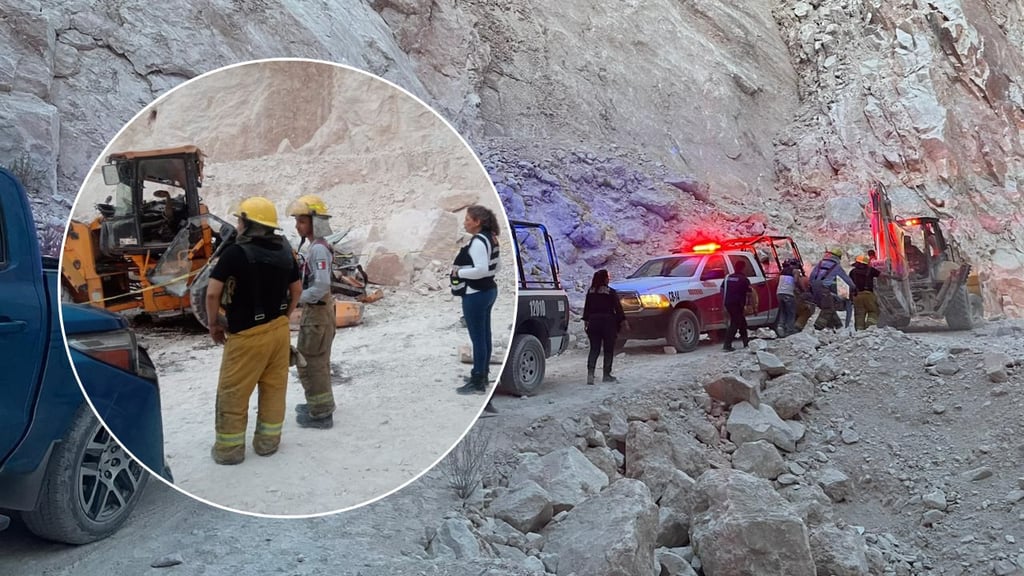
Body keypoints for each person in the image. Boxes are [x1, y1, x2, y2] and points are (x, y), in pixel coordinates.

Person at [205, 197, 302, 465]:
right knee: (274, 389)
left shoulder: (234, 253)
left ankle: (229, 451)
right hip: (279, 333)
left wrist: (213, 325)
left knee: (233, 393)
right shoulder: (285, 249)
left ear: (249, 224)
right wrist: (283, 316)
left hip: (247, 336)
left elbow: (212, 294)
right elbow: (297, 290)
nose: (237, 225)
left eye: (239, 220)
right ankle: (268, 443)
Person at [288, 194, 338, 429]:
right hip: (319, 311)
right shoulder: (316, 247)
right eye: (297, 221)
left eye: (302, 221)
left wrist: (296, 299)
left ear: (315, 222)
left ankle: (321, 413)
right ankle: (321, 405)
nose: (298, 226)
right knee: (319, 360)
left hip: (317, 313)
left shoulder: (318, 250)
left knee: (310, 361)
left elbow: (320, 285)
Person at [453, 205, 501, 395]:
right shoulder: (492, 238)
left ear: (477, 222)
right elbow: (497, 267)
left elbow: (480, 269)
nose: (464, 222)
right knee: (485, 335)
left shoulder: (478, 242)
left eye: (467, 219)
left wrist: (460, 272)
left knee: (477, 338)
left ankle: (478, 380)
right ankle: (483, 373)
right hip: (489, 291)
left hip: (475, 294)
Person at [582, 269, 626, 384]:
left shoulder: (590, 291)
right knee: (608, 349)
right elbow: (618, 308)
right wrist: (623, 321)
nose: (608, 279)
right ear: (604, 279)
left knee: (594, 349)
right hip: (608, 323)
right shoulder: (610, 292)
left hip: (593, 323)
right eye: (607, 277)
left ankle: (590, 375)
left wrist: (586, 322)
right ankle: (606, 375)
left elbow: (587, 309)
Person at [809, 247, 857, 330]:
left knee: (829, 306)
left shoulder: (820, 263)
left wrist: (811, 286)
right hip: (824, 288)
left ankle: (838, 326)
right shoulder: (836, 266)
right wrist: (854, 287)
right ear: (839, 257)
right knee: (828, 308)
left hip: (814, 287)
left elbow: (812, 276)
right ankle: (818, 326)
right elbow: (846, 278)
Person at [721, 259, 754, 351]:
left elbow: (722, 289)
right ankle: (727, 345)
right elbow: (749, 293)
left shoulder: (728, 278)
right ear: (743, 268)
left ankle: (746, 342)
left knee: (742, 322)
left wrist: (723, 303)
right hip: (737, 304)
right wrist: (751, 306)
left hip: (728, 303)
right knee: (735, 323)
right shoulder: (744, 279)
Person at [849, 254, 883, 330]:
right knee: (873, 311)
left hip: (856, 295)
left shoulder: (852, 272)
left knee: (859, 314)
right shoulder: (870, 270)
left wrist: (851, 298)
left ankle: (859, 331)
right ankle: (870, 327)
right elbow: (882, 275)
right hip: (868, 295)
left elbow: (850, 286)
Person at [776, 258, 800, 337]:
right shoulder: (795, 271)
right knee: (791, 312)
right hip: (788, 294)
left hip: (779, 293)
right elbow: (796, 281)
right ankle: (789, 329)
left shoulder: (782, 271)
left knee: (782, 311)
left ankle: (780, 327)